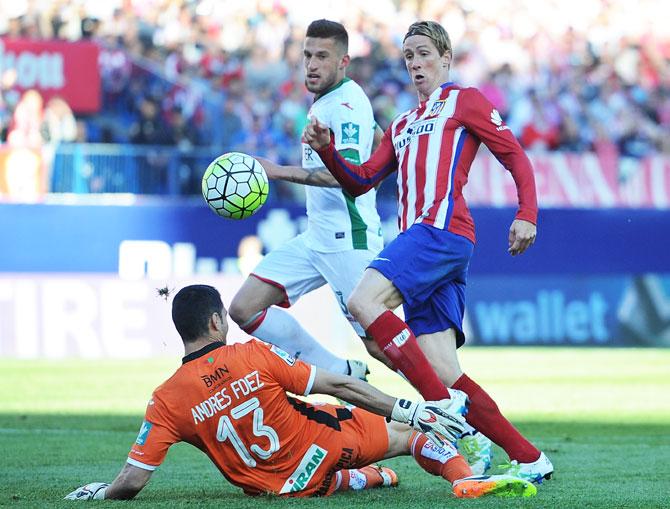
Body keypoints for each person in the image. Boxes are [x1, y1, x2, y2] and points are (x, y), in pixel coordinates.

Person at [303, 20, 553, 483]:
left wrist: (528, 213)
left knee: (362, 301)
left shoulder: (466, 101)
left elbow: (514, 155)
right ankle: (529, 455)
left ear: (445, 58)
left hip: (439, 231)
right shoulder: (400, 124)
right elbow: (360, 182)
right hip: (429, 244)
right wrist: (331, 152)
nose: (415, 63)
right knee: (447, 371)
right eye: (408, 57)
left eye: (422, 54)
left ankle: (438, 407)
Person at [64, 285, 536, 500]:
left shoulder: (166, 399)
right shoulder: (250, 355)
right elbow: (340, 383)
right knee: (402, 435)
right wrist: (412, 411)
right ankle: (463, 479)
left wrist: (101, 493)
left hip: (272, 487)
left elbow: (133, 481)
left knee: (324, 443)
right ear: (215, 322)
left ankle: (374, 479)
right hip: (322, 448)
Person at [228, 19, 385, 382]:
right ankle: (338, 370)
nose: (312, 64)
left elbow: (345, 176)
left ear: (344, 61)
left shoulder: (344, 104)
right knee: (244, 308)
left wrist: (278, 171)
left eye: (323, 57)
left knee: (379, 345)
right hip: (317, 238)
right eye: (308, 55)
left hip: (350, 238)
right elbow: (379, 141)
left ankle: (452, 408)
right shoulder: (330, 101)